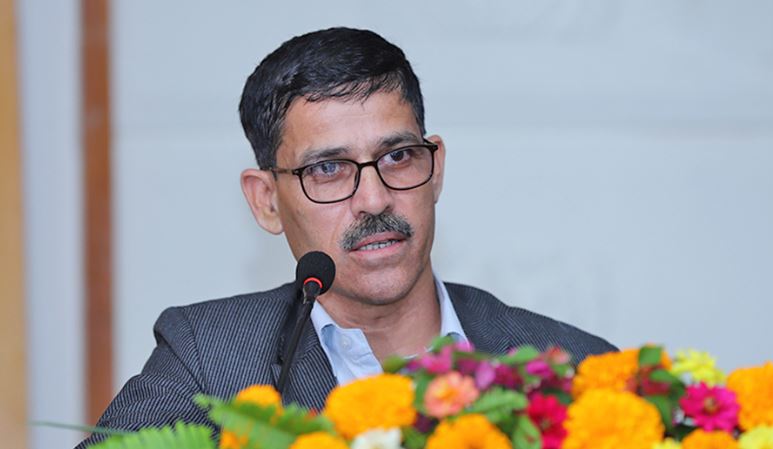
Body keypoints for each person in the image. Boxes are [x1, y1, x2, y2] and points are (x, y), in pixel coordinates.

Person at [77, 27, 615, 447]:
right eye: (328, 169)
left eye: (398, 156)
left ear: (436, 169)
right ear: (266, 201)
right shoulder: (210, 357)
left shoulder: (574, 367)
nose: (375, 199)